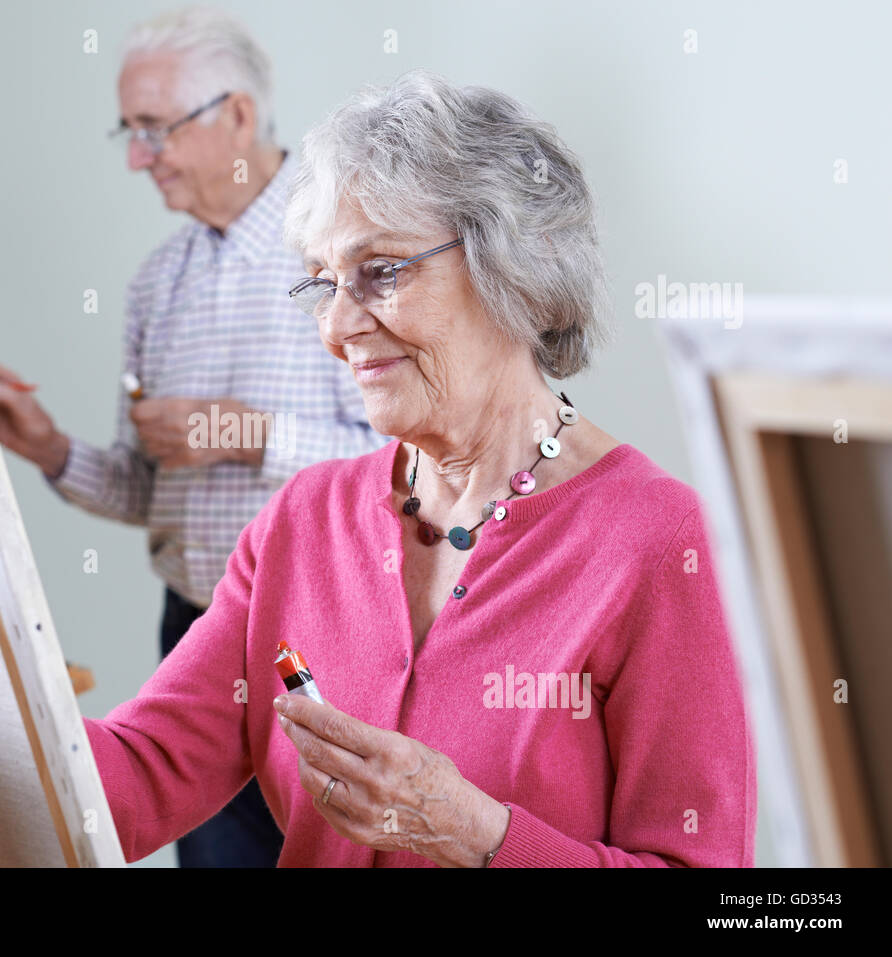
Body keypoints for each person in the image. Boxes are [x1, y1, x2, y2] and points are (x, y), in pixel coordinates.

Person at [79, 70, 757, 866]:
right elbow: (139, 772)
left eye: (382, 272)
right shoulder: (303, 521)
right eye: (325, 283)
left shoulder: (658, 541)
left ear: (519, 270)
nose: (337, 327)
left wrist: (478, 834)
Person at [0, 8, 385, 867]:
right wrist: (49, 447)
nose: (138, 156)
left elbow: (408, 466)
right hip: (196, 634)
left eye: (155, 129)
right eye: (128, 132)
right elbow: (148, 489)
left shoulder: (348, 255)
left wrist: (240, 433)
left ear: (238, 116)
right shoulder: (156, 284)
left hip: (338, 632)